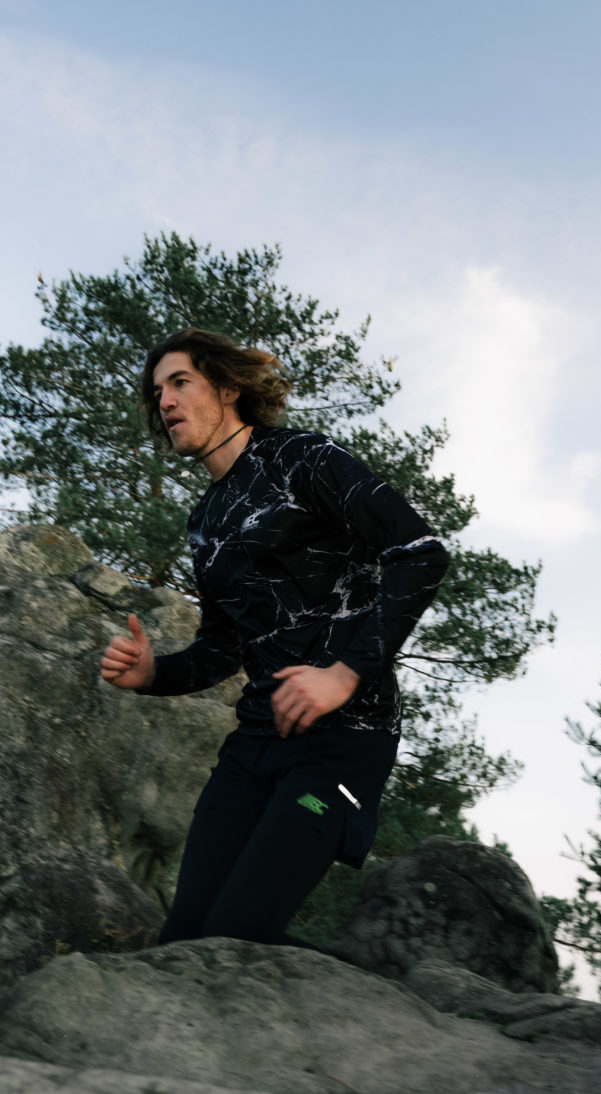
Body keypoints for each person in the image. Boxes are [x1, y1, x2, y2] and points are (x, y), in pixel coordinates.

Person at [100, 328, 449, 946]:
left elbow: (420, 552)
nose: (166, 401)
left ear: (228, 389)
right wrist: (153, 675)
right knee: (185, 939)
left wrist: (344, 674)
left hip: (342, 748)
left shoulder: (303, 459)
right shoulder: (205, 521)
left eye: (180, 383)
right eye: (158, 393)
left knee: (239, 933)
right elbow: (221, 649)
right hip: (253, 750)